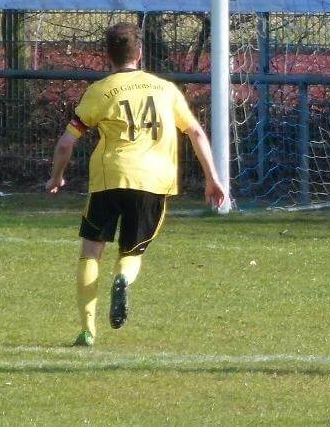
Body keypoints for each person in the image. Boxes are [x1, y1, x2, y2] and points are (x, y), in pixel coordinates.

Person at [46, 23, 226, 347]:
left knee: (91, 251)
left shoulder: (101, 91)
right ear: (139, 53)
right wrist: (212, 179)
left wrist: (57, 176)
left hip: (109, 178)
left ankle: (87, 331)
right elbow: (196, 133)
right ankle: (122, 278)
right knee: (132, 251)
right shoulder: (165, 89)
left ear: (107, 56)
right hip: (154, 181)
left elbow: (65, 143)